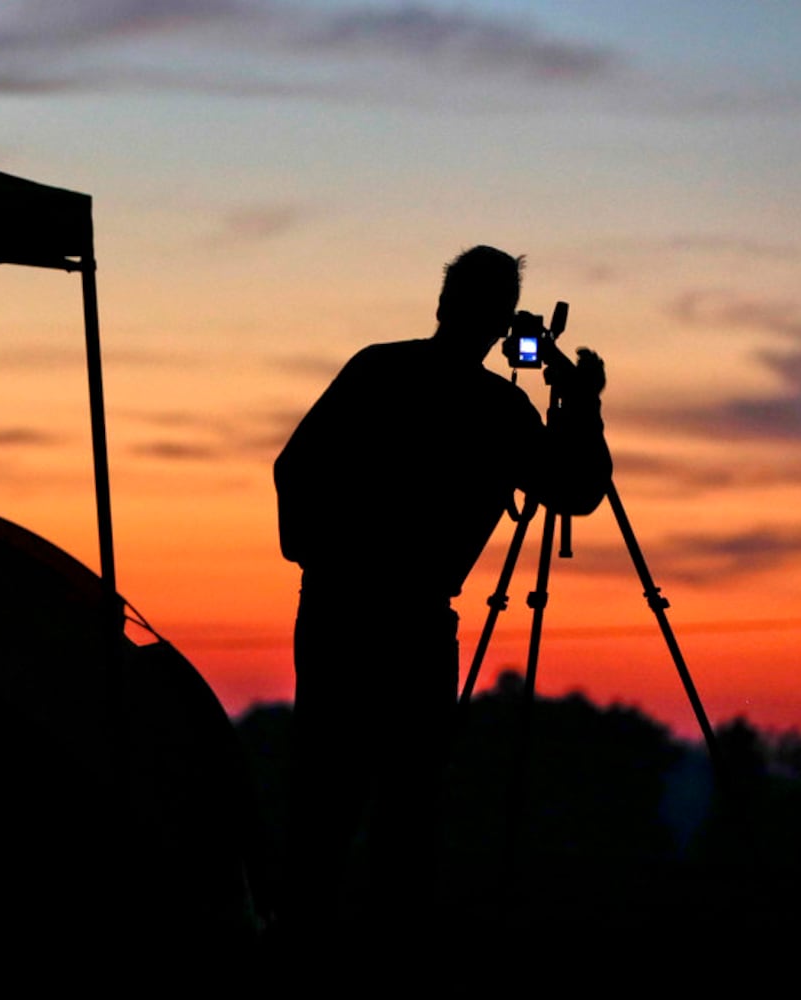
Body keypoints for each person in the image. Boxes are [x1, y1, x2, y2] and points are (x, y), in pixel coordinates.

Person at [273, 245, 611, 947]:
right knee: (407, 804)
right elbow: (577, 490)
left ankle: (298, 938)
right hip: (413, 626)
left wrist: (320, 557)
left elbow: (293, 467)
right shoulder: (500, 410)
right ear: (500, 324)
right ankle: (388, 945)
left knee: (325, 793)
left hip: (339, 612)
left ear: (442, 304)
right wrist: (584, 405)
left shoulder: (377, 369)